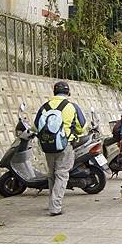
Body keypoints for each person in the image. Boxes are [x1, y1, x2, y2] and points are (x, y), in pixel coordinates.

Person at [34, 81, 86, 216]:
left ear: (54, 92)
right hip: (64, 145)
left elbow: (36, 125)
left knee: (51, 174)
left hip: (47, 145)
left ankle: (51, 202)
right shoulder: (72, 107)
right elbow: (82, 126)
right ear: (68, 92)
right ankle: (55, 207)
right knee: (62, 174)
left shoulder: (45, 106)